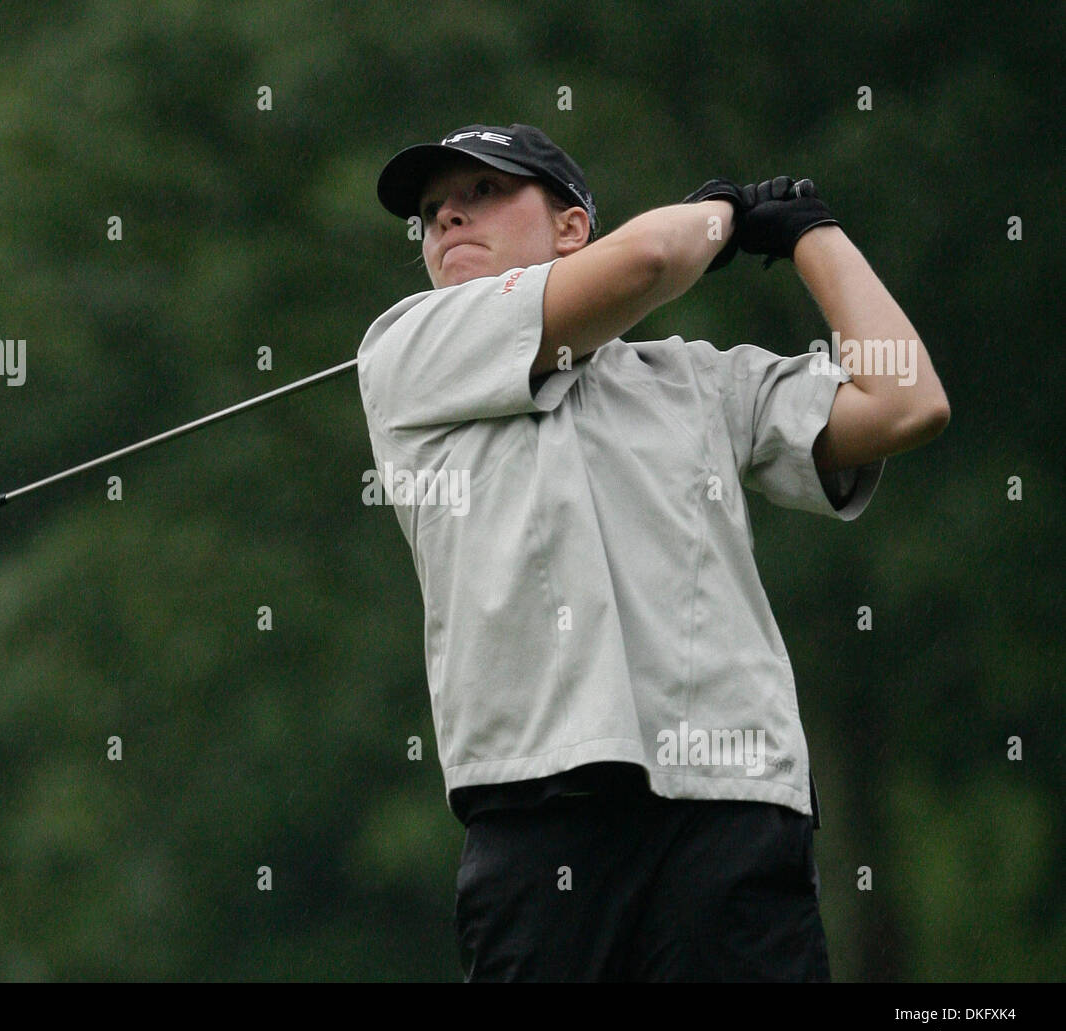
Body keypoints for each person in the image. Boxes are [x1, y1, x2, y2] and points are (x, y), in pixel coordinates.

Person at [355, 123, 949, 982]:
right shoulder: (408, 347)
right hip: (537, 805)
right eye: (431, 211)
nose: (447, 217)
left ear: (570, 228)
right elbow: (645, 265)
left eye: (483, 192)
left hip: (733, 805)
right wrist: (722, 214)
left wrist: (812, 234)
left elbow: (906, 403)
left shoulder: (699, 380)